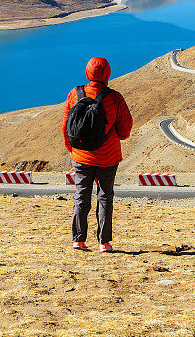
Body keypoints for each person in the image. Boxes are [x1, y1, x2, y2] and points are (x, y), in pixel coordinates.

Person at [62, 56, 133, 253]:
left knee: (81, 195)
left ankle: (78, 240)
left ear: (87, 73)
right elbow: (125, 131)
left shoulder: (74, 95)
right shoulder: (114, 98)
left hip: (80, 156)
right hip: (107, 157)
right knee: (105, 197)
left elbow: (66, 127)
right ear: (108, 74)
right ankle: (104, 242)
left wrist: (74, 149)